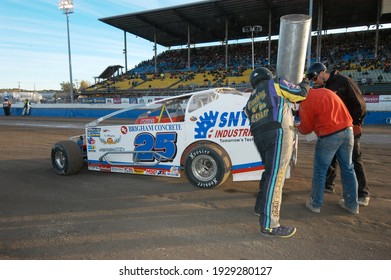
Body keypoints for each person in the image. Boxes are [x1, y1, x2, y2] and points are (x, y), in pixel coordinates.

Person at [243, 67, 309, 238]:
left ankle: (260, 209)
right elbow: (301, 94)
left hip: (259, 137)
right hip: (278, 133)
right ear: (268, 76)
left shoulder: (249, 101)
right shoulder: (275, 84)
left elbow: (249, 115)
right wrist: (305, 80)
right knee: (276, 177)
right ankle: (270, 225)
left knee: (269, 174)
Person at [307, 62, 369, 206]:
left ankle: (363, 193)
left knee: (353, 160)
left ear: (322, 73)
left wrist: (357, 123)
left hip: (350, 126)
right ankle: (328, 184)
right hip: (335, 129)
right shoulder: (325, 87)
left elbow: (359, 103)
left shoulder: (343, 81)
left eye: (315, 79)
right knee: (332, 158)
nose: (314, 82)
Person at [297, 87, 359, 214]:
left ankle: (315, 203)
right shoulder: (326, 91)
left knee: (320, 169)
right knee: (348, 168)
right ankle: (352, 205)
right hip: (348, 130)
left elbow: (306, 128)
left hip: (329, 134)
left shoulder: (305, 101)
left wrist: (297, 128)